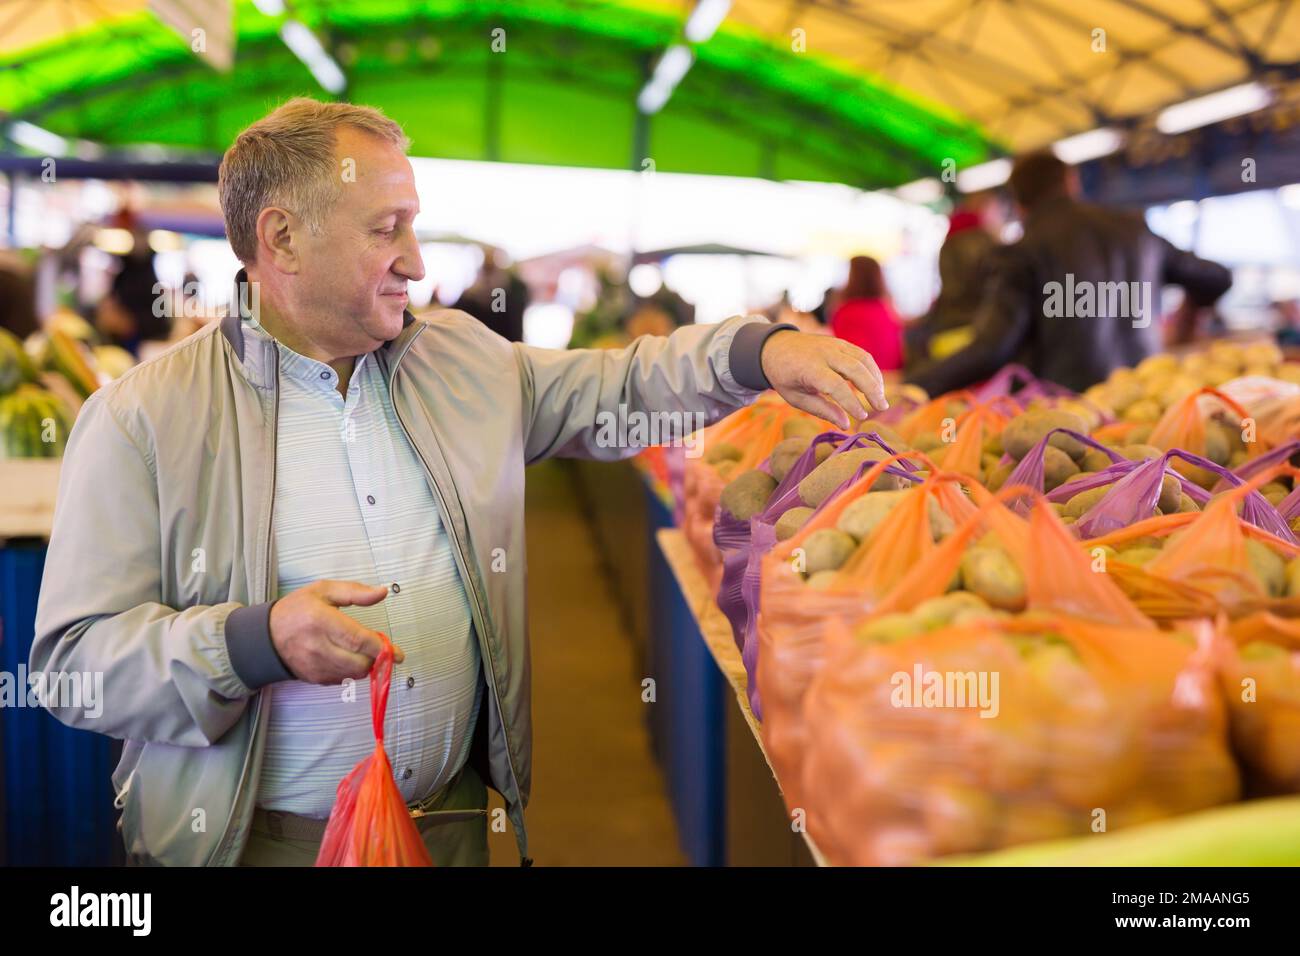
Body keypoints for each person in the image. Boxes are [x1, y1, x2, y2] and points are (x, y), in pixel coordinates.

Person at [30, 98, 888, 868]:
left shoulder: (462, 362)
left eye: (415, 227)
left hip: (450, 833)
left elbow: (618, 388)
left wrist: (760, 351)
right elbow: (75, 666)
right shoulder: (143, 419)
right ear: (282, 238)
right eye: (385, 229)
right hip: (249, 846)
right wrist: (256, 642)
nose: (415, 262)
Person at [908, 151, 1233, 395]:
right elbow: (1217, 277)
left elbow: (992, 348)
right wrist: (1189, 313)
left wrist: (916, 385)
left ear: (1018, 203)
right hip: (1145, 399)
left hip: (1066, 417)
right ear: (1071, 182)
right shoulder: (1137, 231)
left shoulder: (1021, 252)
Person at [905, 191, 1004, 365]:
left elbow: (947, 289)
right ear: (986, 209)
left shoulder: (950, 239)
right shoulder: (987, 243)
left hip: (944, 334)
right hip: (976, 334)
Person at [829, 256, 904, 371]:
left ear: (852, 277)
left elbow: (838, 351)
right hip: (892, 377)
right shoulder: (887, 310)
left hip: (857, 378)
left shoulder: (845, 312)